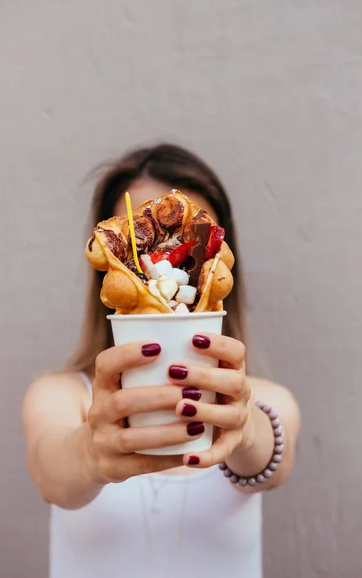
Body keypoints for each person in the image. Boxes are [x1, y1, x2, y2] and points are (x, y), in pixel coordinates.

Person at [22, 143, 300, 578]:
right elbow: (51, 475)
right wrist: (93, 454)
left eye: (193, 240)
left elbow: (269, 464)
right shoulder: (62, 395)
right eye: (141, 233)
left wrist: (242, 428)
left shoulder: (262, 400)